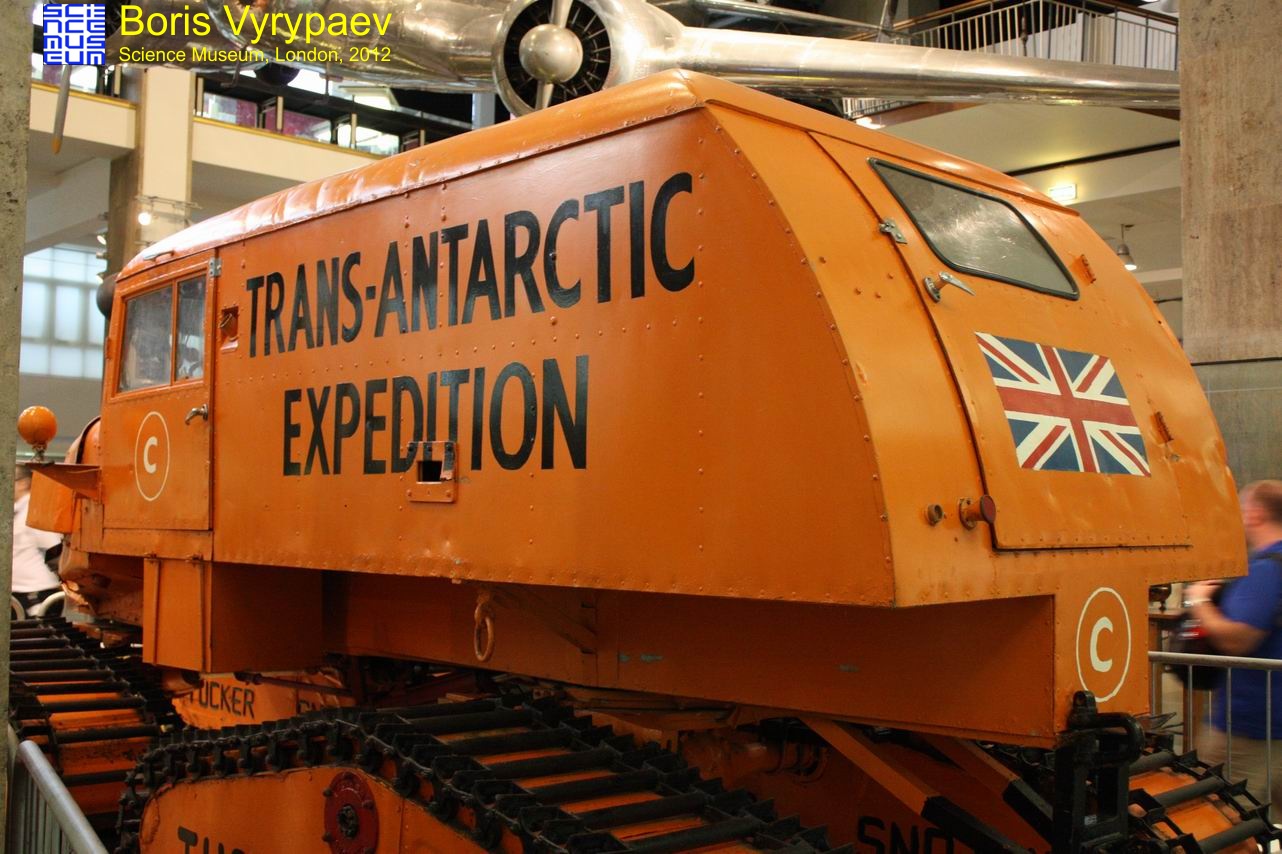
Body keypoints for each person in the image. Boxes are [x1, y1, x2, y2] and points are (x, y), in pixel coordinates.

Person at [1187, 480, 1282, 806]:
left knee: (1219, 813)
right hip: (1272, 720)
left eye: (1242, 509)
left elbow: (1237, 640)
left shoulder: (1268, 569)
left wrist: (1199, 601)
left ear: (1256, 514)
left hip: (1250, 725)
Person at [11, 466, 62, 616]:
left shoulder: (35, 510)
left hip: (37, 593)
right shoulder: (15, 510)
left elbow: (54, 548)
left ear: (23, 483)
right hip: (17, 592)